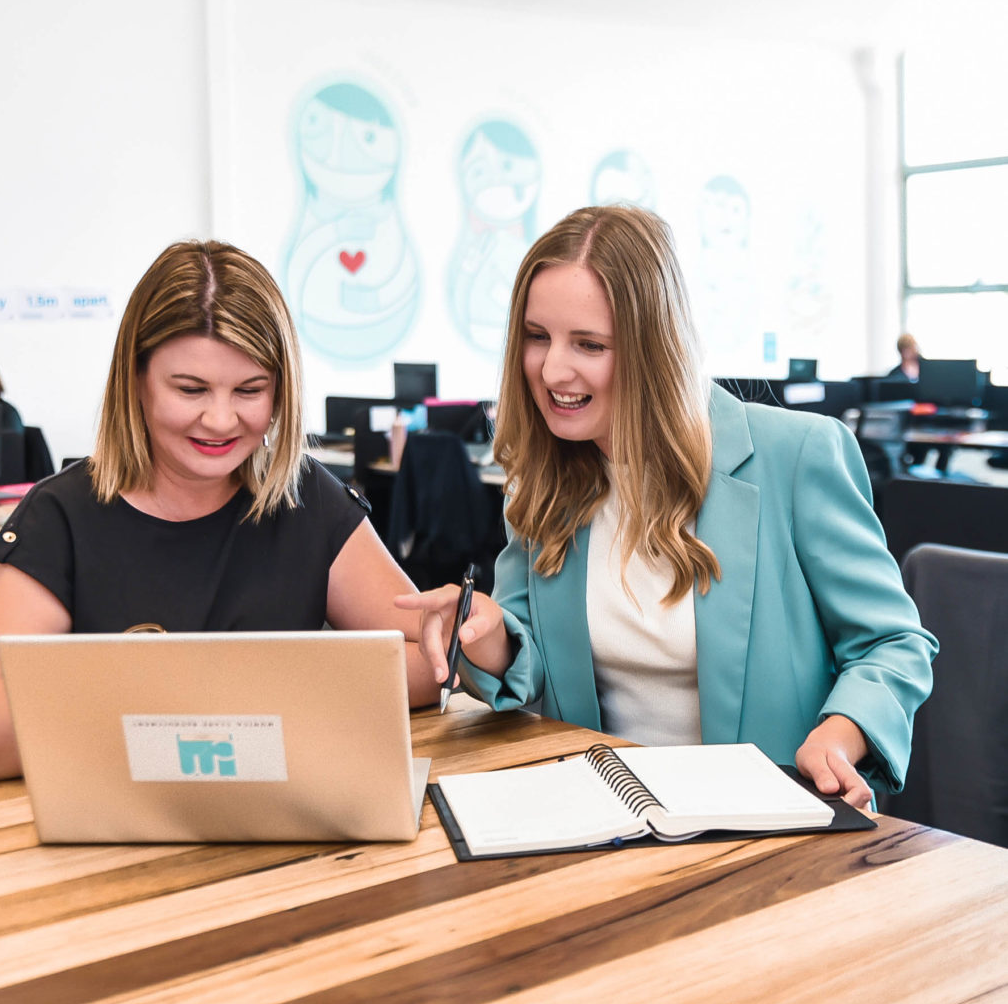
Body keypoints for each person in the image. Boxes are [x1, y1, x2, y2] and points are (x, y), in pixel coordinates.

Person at [401, 206, 937, 808]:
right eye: (537, 336)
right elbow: (535, 672)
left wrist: (839, 738)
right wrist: (487, 633)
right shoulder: (544, 482)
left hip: (766, 821)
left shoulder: (797, 456)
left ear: (653, 348)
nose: (552, 369)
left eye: (589, 344)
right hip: (603, 817)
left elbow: (893, 644)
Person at [0, 240, 440, 785]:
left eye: (250, 390)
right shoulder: (62, 518)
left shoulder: (303, 497)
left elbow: (432, 657)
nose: (220, 420)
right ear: (137, 379)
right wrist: (186, 692)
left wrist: (236, 691)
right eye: (190, 388)